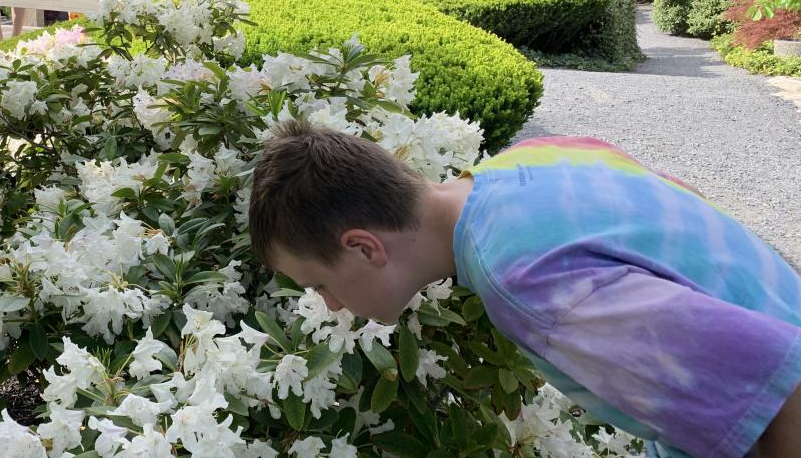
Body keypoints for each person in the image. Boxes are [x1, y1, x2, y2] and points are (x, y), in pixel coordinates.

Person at [250, 121, 801, 458]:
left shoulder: (525, 282)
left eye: (321, 284)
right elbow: (680, 198)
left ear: (365, 247)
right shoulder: (530, 159)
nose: (331, 304)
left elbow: (788, 384)